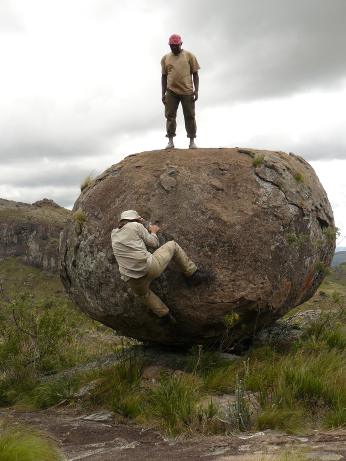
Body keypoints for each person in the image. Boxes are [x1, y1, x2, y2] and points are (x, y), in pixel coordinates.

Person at [111, 210, 209, 325]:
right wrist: (153, 231)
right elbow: (154, 243)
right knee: (172, 245)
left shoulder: (114, 234)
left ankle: (164, 315)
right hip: (149, 268)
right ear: (134, 219)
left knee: (143, 294)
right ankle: (192, 274)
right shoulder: (135, 225)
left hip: (131, 279)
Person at [161, 34, 200, 150]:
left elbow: (195, 74)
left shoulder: (189, 56)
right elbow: (163, 76)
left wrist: (196, 90)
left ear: (181, 44)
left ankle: (192, 141)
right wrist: (163, 93)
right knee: (170, 116)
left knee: (190, 116)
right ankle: (170, 141)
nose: (174, 48)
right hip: (171, 91)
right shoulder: (165, 58)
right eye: (172, 46)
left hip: (187, 91)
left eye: (176, 45)